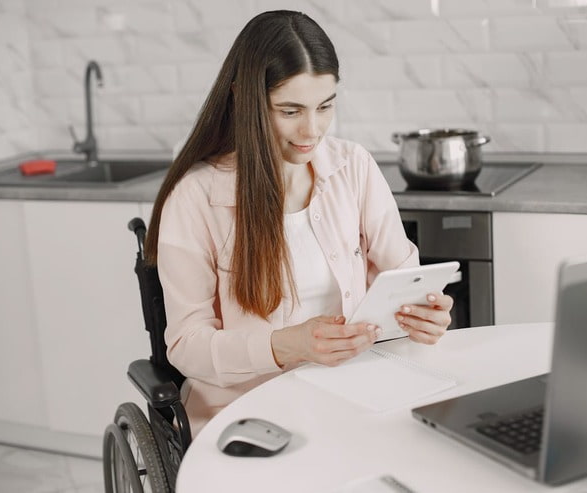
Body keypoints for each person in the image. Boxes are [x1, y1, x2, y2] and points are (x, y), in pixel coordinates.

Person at [144, 10, 454, 435]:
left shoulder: (353, 167)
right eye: (290, 111)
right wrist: (285, 346)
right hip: (249, 409)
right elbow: (187, 346)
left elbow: (407, 277)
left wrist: (424, 312)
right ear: (243, 99)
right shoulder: (196, 197)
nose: (312, 130)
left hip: (356, 390)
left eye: (325, 106)